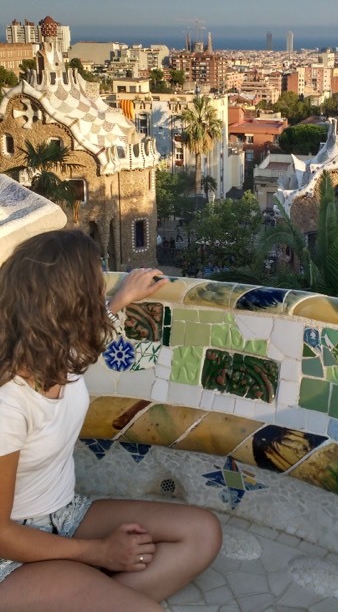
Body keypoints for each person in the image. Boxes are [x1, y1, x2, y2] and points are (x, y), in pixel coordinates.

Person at [0, 229, 222, 611]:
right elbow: (1, 534)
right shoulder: (8, 402)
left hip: (64, 515)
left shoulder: (57, 354)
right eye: (95, 280)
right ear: (69, 302)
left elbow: (95, 329)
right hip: (11, 552)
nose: (100, 284)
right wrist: (98, 553)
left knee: (202, 534)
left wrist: (123, 298)